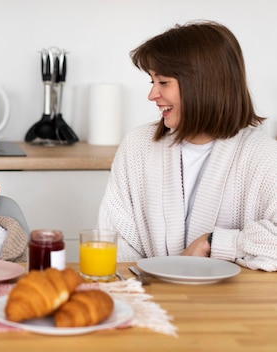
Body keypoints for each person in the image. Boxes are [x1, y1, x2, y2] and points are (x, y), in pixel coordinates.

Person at [96, 20, 277, 271]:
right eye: (152, 82)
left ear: (202, 83)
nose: (152, 95)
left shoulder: (263, 155)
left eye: (163, 82)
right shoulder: (137, 146)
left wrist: (214, 242)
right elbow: (115, 241)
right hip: (151, 297)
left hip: (229, 304)